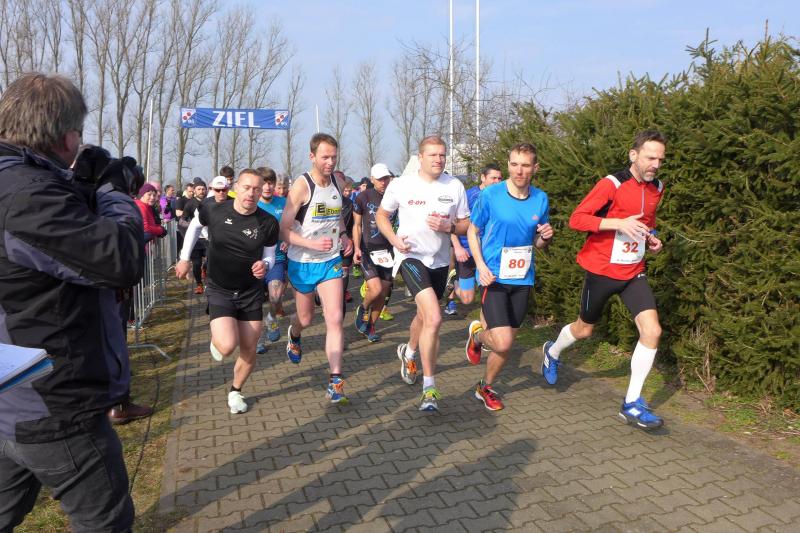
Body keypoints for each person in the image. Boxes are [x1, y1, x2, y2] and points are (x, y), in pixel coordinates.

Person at [0, 73, 144, 531]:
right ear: (67, 137)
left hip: (11, 393)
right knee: (106, 523)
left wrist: (79, 185)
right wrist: (114, 191)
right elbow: (120, 258)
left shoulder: (19, 182)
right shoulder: (25, 195)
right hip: (51, 402)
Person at [542, 130, 667, 430]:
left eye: (660, 160)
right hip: (601, 271)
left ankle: (632, 403)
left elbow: (647, 224)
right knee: (584, 330)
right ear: (633, 155)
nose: (655, 165)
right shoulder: (612, 184)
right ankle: (552, 351)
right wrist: (617, 223)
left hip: (633, 272)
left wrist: (652, 238)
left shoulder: (657, 187)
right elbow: (577, 219)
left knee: (652, 330)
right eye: (650, 158)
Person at [376, 135, 470, 411]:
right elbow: (382, 216)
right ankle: (429, 388)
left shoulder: (454, 185)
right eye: (433, 155)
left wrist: (449, 227)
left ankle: (409, 352)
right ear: (420, 158)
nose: (439, 159)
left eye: (442, 155)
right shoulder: (401, 185)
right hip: (410, 257)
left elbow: (465, 224)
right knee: (435, 317)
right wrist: (394, 240)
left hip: (439, 261)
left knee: (423, 316)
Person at [176, 169, 279, 414]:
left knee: (249, 348)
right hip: (220, 288)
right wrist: (184, 258)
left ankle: (235, 391)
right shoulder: (215, 209)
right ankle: (218, 340)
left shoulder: (268, 222)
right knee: (226, 347)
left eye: (256, 189)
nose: (251, 193)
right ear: (236, 188)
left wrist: (264, 266)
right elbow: (194, 226)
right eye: (247, 187)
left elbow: (270, 256)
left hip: (250, 291)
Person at [464, 144, 553, 411]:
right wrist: (480, 266)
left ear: (535, 168)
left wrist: (545, 237)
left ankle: (484, 386)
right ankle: (478, 337)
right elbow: (472, 231)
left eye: (525, 165)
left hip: (522, 278)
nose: (519, 171)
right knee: (503, 342)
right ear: (508, 165)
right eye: (514, 164)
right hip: (493, 277)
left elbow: (537, 242)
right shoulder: (491, 195)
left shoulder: (540, 199)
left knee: (506, 344)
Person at [280, 133, 353, 404]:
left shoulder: (338, 182)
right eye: (325, 157)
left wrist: (344, 235)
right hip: (303, 262)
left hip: (330, 260)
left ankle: (336, 381)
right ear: (312, 156)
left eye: (334, 157)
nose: (330, 162)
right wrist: (311, 243)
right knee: (306, 318)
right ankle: (294, 334)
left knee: (335, 318)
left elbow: (338, 215)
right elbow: (283, 230)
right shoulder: (302, 186)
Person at [444, 163, 503, 315]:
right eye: (493, 178)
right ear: (483, 177)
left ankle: (490, 326)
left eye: (500, 178)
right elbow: (453, 224)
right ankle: (454, 281)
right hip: (467, 251)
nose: (497, 182)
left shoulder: (502, 197)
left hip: (489, 252)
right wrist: (458, 248)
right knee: (467, 299)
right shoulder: (469, 195)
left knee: (490, 294)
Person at [353, 163, 395, 343]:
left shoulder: (395, 196)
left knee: (383, 292)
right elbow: (356, 225)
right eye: (379, 179)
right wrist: (356, 248)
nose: (383, 182)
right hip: (367, 249)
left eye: (386, 178)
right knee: (375, 288)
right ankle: (363, 308)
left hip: (388, 251)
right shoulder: (363, 197)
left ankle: (371, 325)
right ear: (372, 179)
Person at [255, 167, 288, 354]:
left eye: (270, 183)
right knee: (254, 305)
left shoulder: (284, 203)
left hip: (277, 258)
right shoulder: (251, 204)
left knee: (275, 297)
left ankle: (271, 318)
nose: (267, 187)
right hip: (253, 261)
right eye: (264, 183)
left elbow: (295, 226)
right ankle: (258, 340)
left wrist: (289, 241)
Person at [179, 179, 208, 294]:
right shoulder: (190, 204)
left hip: (208, 238)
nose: (201, 191)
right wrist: (192, 226)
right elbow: (182, 221)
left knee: (210, 260)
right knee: (196, 264)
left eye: (203, 189)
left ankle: (205, 269)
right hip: (195, 239)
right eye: (199, 189)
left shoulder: (210, 202)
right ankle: (199, 284)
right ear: (194, 191)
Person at [337, 173, 356, 299]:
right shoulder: (320, 200)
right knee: (332, 271)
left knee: (344, 269)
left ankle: (343, 294)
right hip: (326, 245)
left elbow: (354, 225)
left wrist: (352, 240)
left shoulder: (349, 203)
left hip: (345, 242)